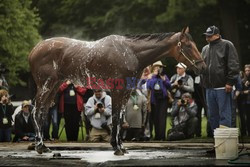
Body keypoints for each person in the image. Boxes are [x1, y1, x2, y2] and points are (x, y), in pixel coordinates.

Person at [201, 26, 240, 132]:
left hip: (223, 87)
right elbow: (202, 67)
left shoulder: (227, 45)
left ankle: (226, 145)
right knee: (212, 117)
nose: (207, 38)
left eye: (210, 35)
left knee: (225, 116)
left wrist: (230, 82)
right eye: (206, 36)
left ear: (217, 35)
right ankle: (217, 145)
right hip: (209, 87)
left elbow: (233, 65)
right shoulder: (205, 49)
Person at [147, 61, 171, 141]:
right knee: (155, 117)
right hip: (154, 99)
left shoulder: (164, 76)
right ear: (153, 68)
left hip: (163, 99)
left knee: (162, 118)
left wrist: (163, 79)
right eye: (156, 67)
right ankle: (157, 136)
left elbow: (169, 85)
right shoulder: (151, 76)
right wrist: (153, 77)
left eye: (159, 67)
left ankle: (162, 136)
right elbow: (149, 86)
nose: (157, 68)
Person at [241, 64, 250, 136]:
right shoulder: (243, 80)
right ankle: (245, 132)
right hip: (245, 102)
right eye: (246, 70)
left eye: (248, 70)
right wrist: (244, 92)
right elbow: (239, 91)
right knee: (245, 117)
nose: (247, 72)